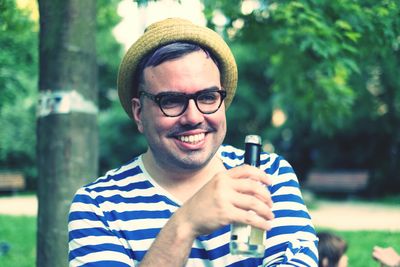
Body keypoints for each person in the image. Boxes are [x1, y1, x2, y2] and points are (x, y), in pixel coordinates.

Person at [68, 17, 318, 266]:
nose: (193, 117)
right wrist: (185, 224)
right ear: (138, 113)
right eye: (171, 101)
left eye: (208, 97)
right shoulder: (97, 206)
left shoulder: (268, 175)